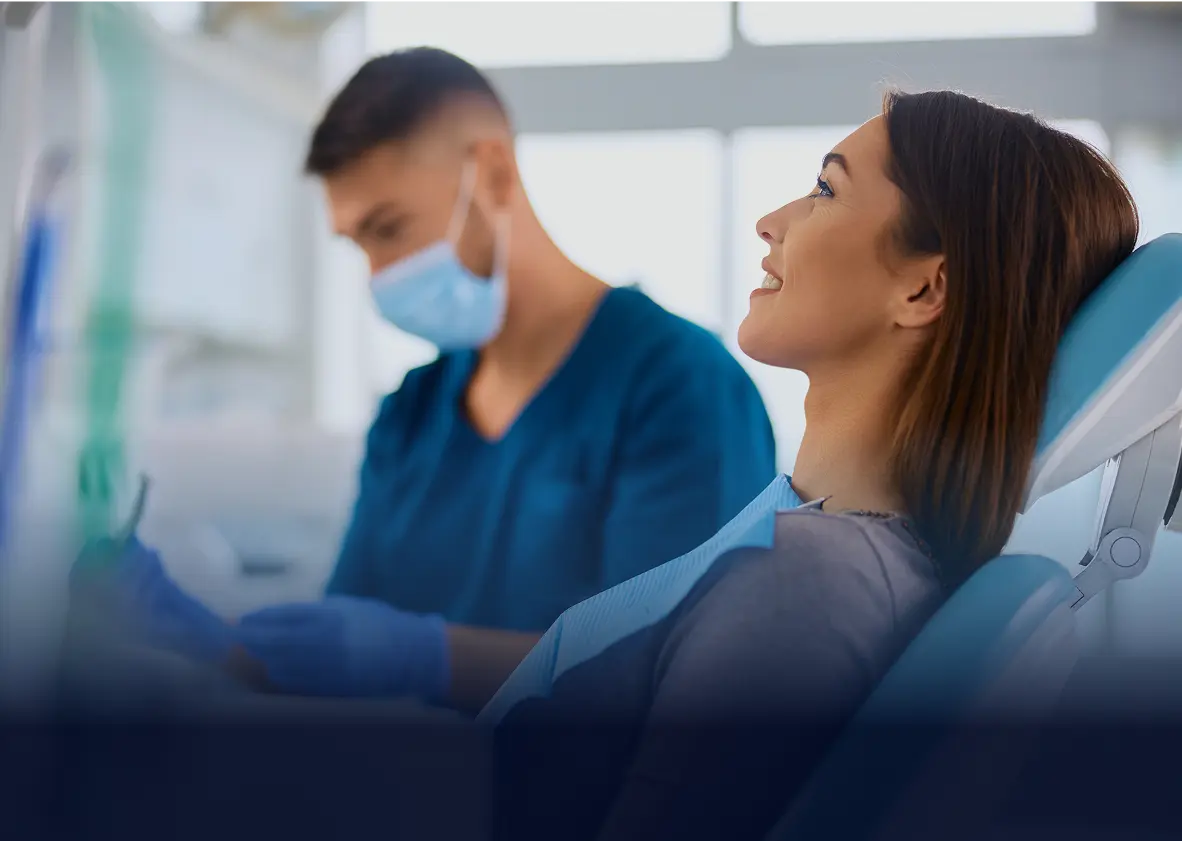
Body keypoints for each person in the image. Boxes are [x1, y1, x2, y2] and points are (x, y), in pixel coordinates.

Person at [483, 90, 1139, 841]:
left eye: (826, 189)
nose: (771, 221)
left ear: (924, 287)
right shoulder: (817, 546)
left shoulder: (808, 581)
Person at [73, 48, 776, 711]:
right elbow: (334, 658)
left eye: (389, 228)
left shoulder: (679, 385)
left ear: (494, 175)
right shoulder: (410, 413)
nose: (378, 276)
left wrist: (429, 657)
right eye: (358, 244)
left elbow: (663, 680)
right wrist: (210, 640)